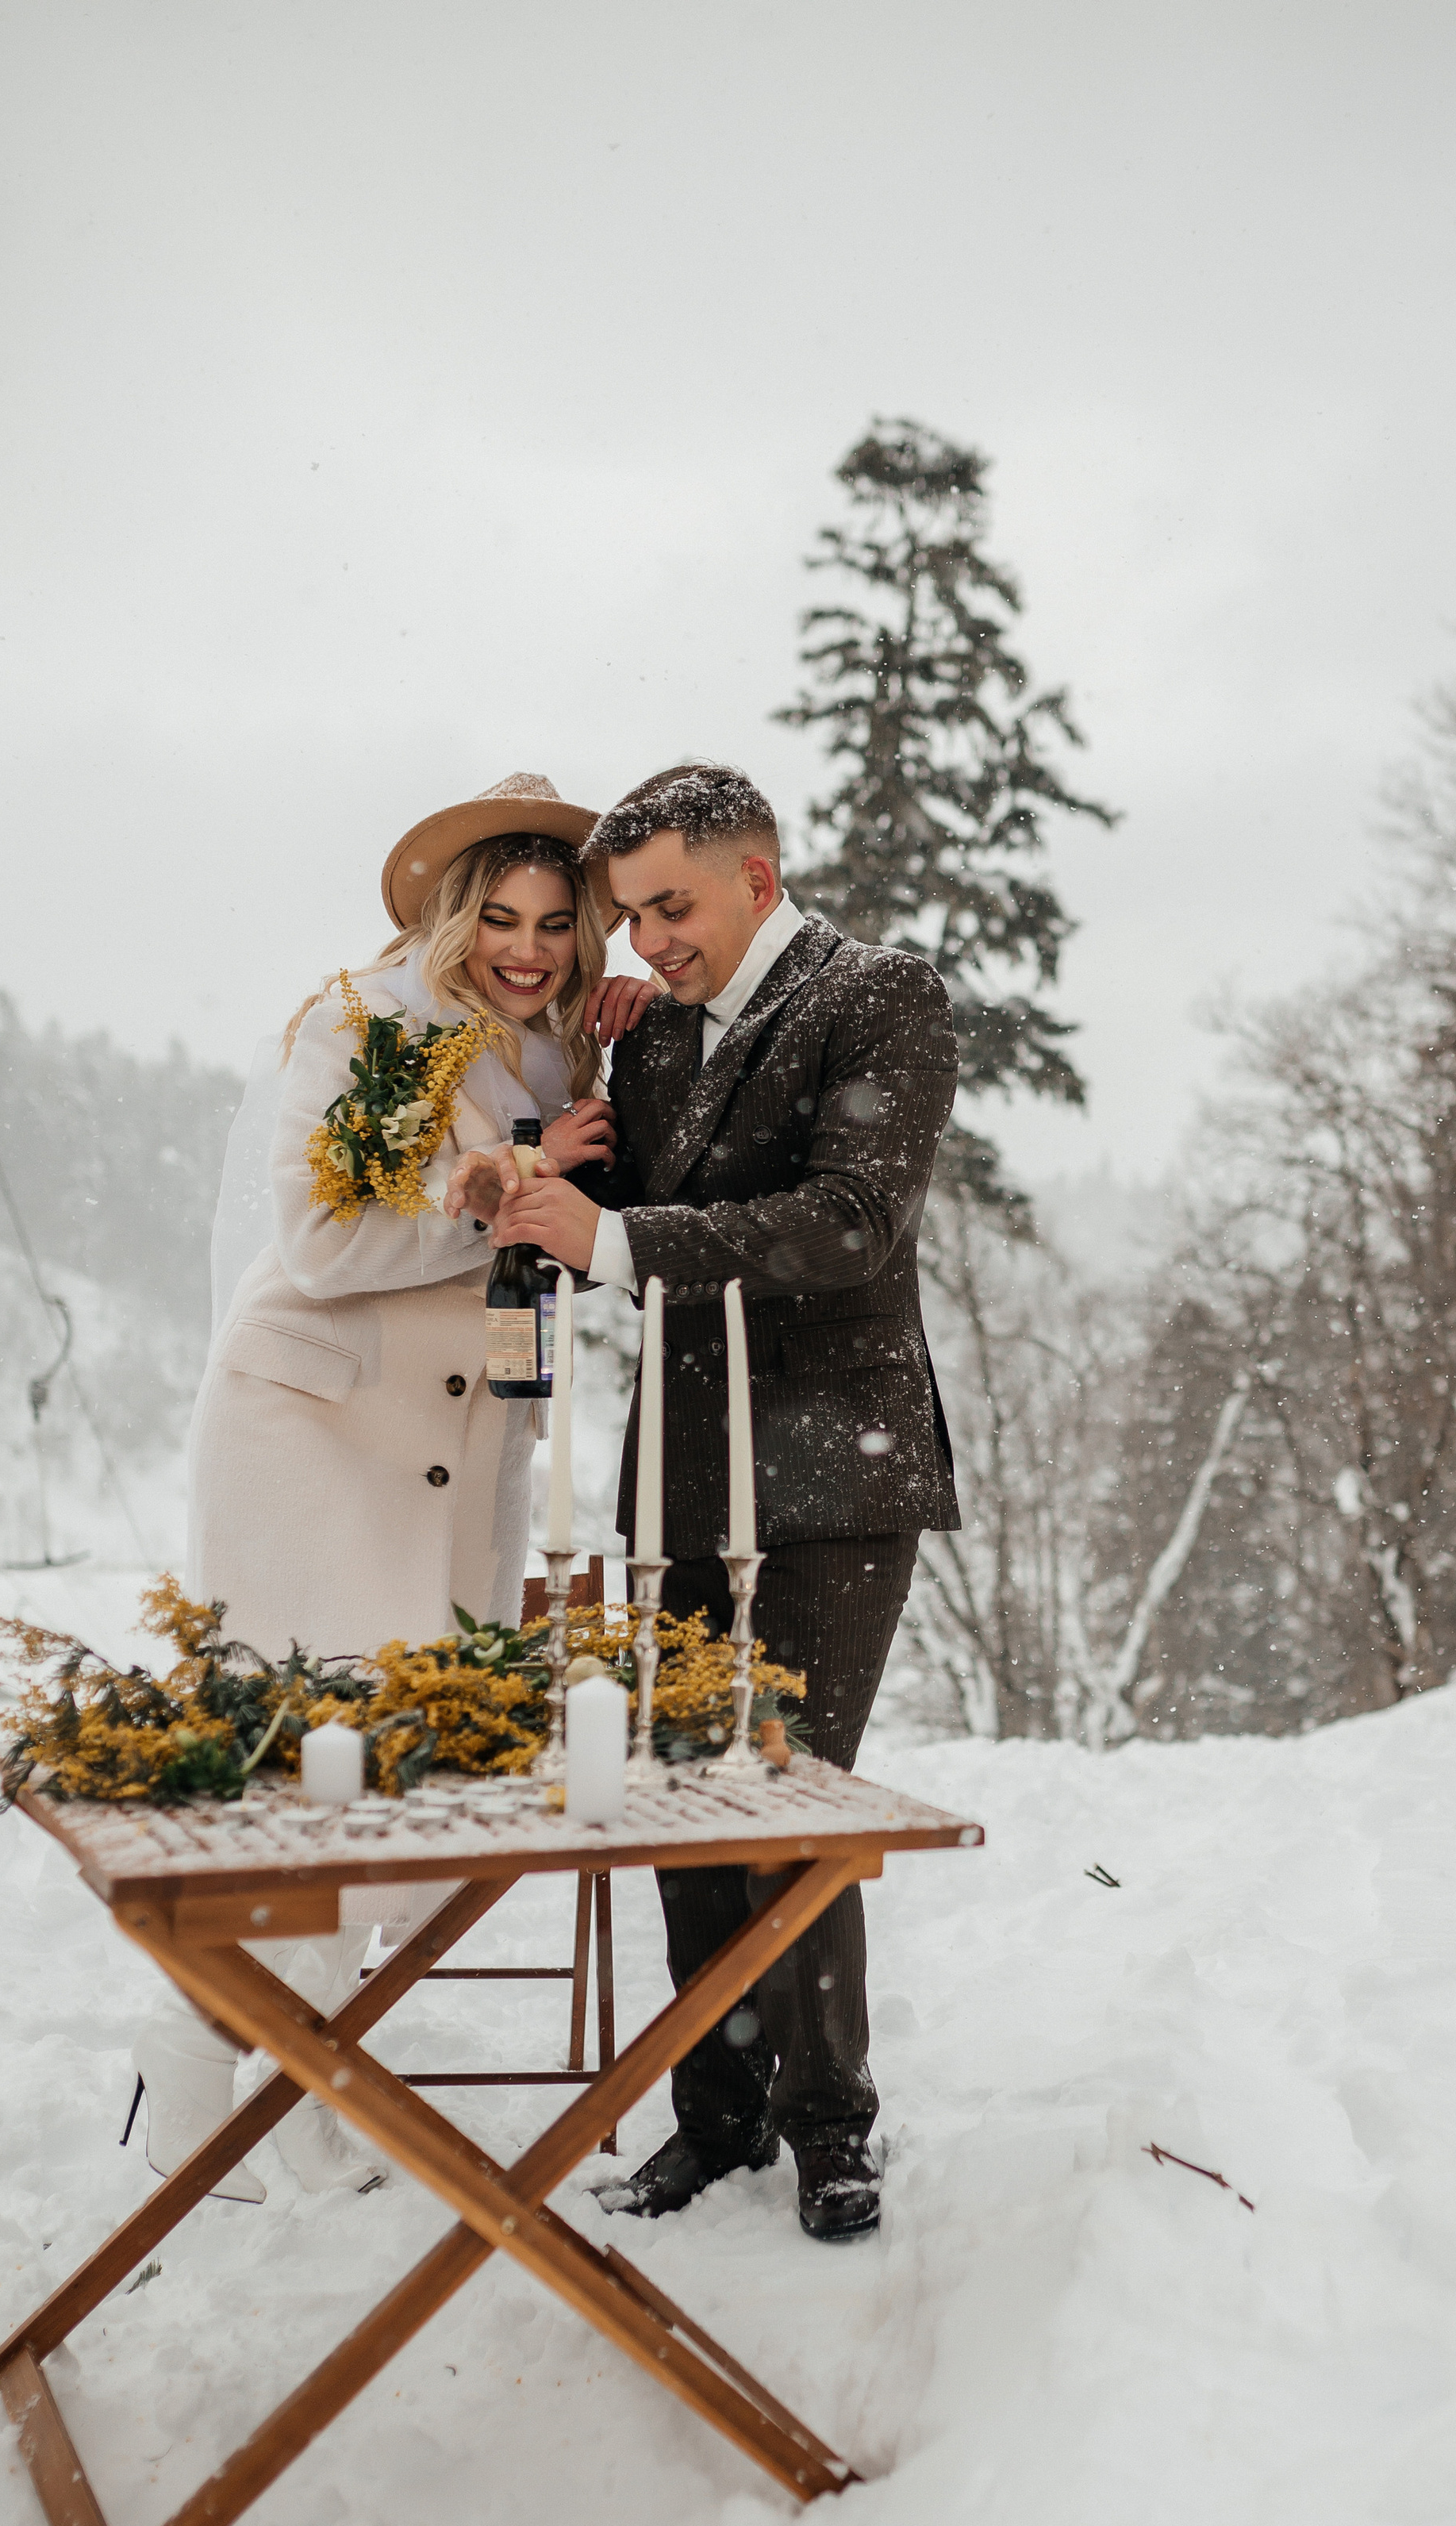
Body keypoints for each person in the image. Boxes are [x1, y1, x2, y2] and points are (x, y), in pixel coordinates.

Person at [449, 759, 959, 2241]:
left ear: (758, 872)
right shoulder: (655, 1036)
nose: (651, 939)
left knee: (785, 1790)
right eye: (632, 918)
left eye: (672, 905)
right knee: (681, 1794)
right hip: (679, 1467)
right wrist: (573, 1122)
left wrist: (609, 1240)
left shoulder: (881, 995)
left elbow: (852, 1222)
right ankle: (714, 2115)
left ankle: (831, 2125)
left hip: (833, 1468)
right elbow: (620, 1205)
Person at [134, 773, 620, 2204]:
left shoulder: (564, 1059)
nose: (524, 951)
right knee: (299, 1766)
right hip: (311, 1432)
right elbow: (330, 1249)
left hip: (458, 1454)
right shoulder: (366, 1027)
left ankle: (289, 2074)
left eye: (556, 926)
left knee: (388, 1779)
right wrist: (511, 1173)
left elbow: (535, 1267)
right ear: (456, 915)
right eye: (502, 920)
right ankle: (207, 2096)